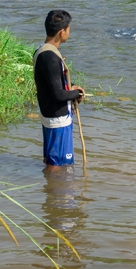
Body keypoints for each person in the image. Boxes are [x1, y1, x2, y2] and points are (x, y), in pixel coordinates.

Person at [33, 10, 85, 168]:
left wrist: (71, 87)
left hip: (49, 114)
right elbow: (58, 94)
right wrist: (76, 93)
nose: (69, 32)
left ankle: (52, 189)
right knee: (58, 164)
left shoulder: (42, 51)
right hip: (58, 120)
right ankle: (56, 191)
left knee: (52, 159)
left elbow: (53, 83)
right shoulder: (50, 58)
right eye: (68, 29)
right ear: (62, 32)